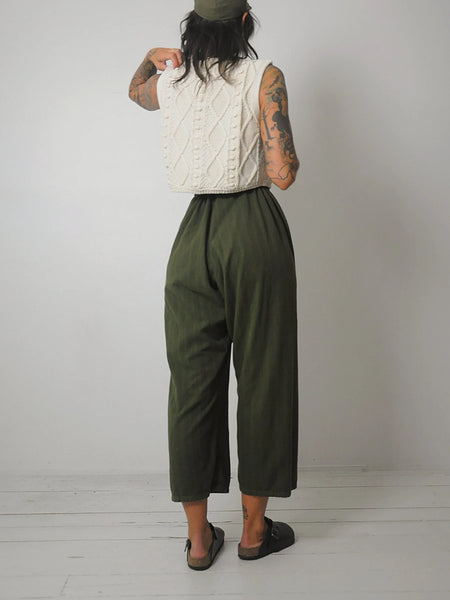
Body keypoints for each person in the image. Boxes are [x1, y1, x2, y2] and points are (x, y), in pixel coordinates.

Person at [128, 0, 300, 570]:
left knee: (193, 384)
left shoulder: (172, 81)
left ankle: (199, 541)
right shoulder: (264, 75)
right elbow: (282, 173)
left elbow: (136, 92)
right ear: (245, 23)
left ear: (194, 28)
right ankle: (254, 532)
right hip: (253, 230)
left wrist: (149, 58)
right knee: (264, 375)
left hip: (192, 238)